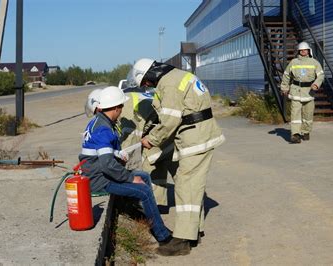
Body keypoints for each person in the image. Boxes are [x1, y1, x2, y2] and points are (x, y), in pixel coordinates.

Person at [128, 58, 225, 256]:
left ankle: (182, 241)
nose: (148, 86)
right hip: (200, 134)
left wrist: (152, 140)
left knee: (185, 186)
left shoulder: (168, 84)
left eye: (146, 82)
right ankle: (194, 231)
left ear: (149, 74)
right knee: (192, 185)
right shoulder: (178, 76)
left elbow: (170, 120)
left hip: (195, 138)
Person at [78, 86, 171, 245]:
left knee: (144, 176)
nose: (122, 110)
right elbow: (107, 165)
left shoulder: (98, 121)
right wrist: (129, 177)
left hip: (96, 173)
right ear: (115, 108)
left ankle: (143, 215)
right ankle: (163, 236)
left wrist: (117, 155)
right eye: (121, 107)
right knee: (144, 190)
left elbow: (102, 154)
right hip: (100, 180)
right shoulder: (103, 128)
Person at [280, 41, 324, 144]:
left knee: (308, 115)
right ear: (299, 51)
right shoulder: (294, 62)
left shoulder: (314, 62)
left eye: (305, 50)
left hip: (309, 92)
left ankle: (306, 131)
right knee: (295, 114)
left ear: (309, 51)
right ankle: (295, 134)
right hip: (296, 91)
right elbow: (286, 75)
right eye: (301, 50)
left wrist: (316, 84)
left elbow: (321, 75)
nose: (303, 51)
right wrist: (284, 88)